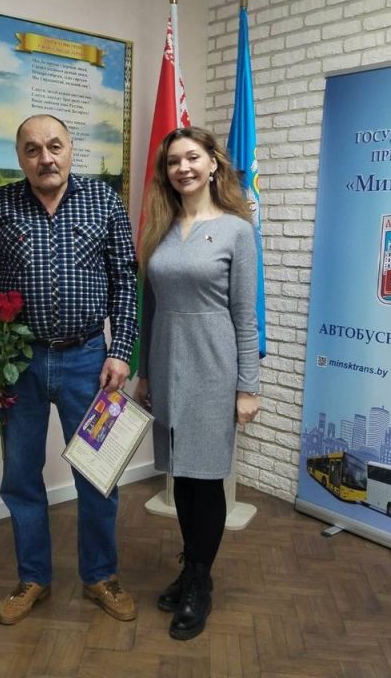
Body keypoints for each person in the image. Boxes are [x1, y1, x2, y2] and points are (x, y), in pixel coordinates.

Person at [0, 114, 138, 625]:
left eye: (55, 146)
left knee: (98, 474)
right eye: (33, 149)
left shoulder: (104, 201)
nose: (46, 158)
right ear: (20, 156)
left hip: (90, 361)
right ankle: (33, 578)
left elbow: (126, 281)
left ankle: (101, 575)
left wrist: (120, 350)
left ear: (70, 149)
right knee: (21, 477)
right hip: (17, 363)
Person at [133, 126, 260, 641]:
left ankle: (201, 582)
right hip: (166, 361)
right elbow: (149, 308)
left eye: (192, 158)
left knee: (206, 480)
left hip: (213, 365)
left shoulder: (236, 231)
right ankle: (190, 567)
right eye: (173, 162)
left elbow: (245, 316)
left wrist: (247, 387)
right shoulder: (159, 229)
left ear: (213, 164)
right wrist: (144, 371)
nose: (182, 168)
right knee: (180, 477)